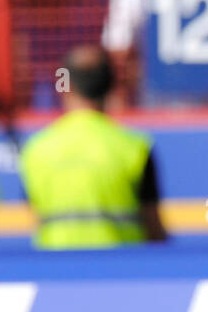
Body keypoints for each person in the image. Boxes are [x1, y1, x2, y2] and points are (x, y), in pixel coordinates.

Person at [19, 45, 166, 249]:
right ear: (111, 86)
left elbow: (34, 215)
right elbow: (154, 229)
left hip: (54, 270)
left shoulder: (35, 149)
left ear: (65, 85)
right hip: (122, 272)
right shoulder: (135, 148)